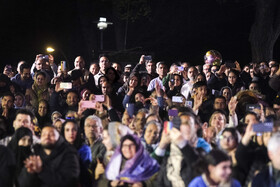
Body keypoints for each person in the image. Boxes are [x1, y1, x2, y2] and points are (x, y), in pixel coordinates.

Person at [61, 120, 92, 187]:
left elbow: (85, 172)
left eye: (74, 130)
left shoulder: (85, 149)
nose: (71, 133)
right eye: (67, 130)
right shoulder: (59, 149)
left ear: (78, 132)